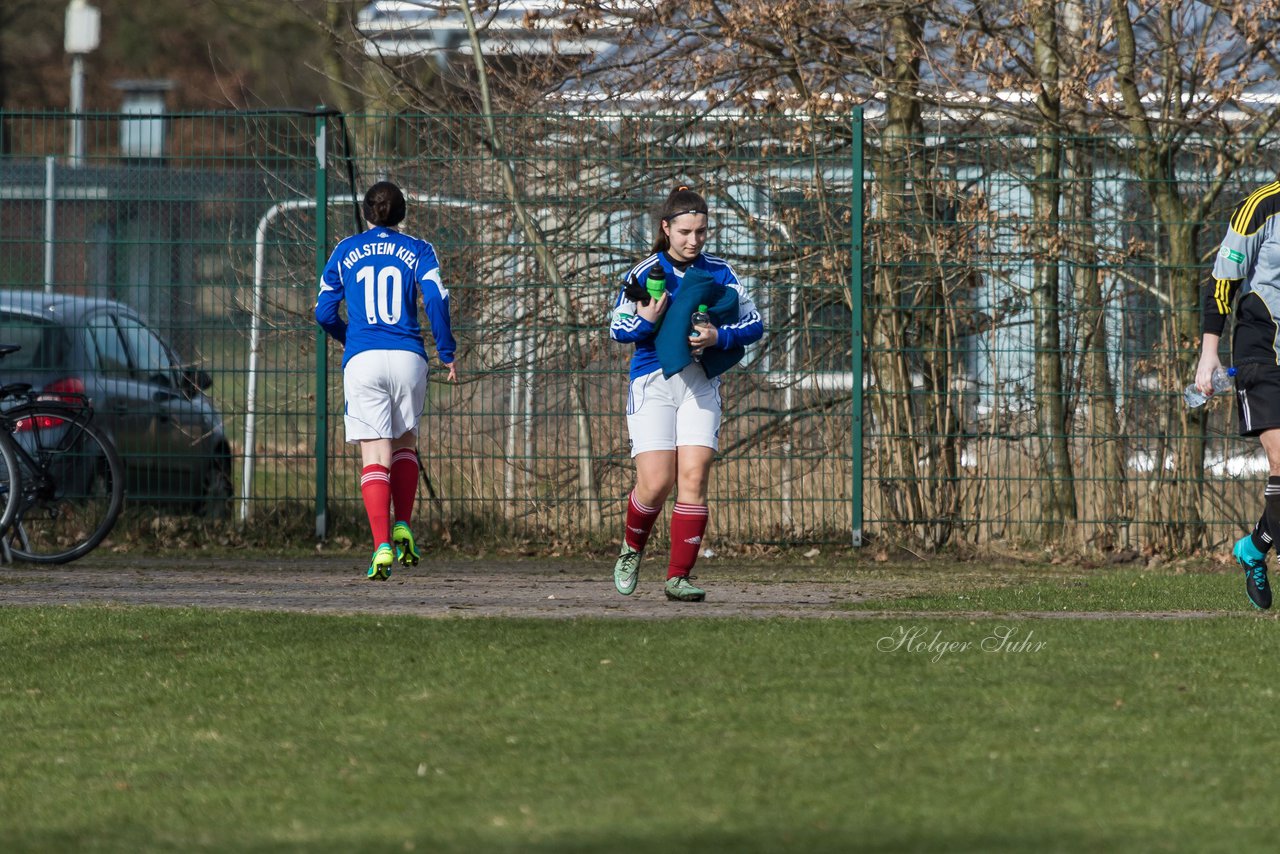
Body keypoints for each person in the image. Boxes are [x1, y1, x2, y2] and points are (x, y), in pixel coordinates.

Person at [607, 185, 764, 601]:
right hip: (653, 383)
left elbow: (755, 323)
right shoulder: (644, 273)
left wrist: (718, 337)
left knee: (693, 477)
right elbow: (617, 328)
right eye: (685, 232)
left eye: (701, 232)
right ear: (666, 228)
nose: (693, 240)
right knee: (656, 483)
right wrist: (646, 321)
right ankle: (631, 548)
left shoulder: (720, 273)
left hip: (700, 384)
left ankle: (679, 577)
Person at [315, 181, 457, 581]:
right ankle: (404, 524)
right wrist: (447, 351)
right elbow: (436, 299)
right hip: (409, 356)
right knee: (405, 443)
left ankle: (380, 546)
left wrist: (351, 340)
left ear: (366, 213)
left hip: (365, 359)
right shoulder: (419, 249)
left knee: (374, 455)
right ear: (402, 214)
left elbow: (324, 312)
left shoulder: (345, 249)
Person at [1196, 179, 1280, 609]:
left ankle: (1254, 548)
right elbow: (1222, 281)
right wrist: (1208, 354)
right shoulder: (1261, 207)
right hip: (1261, 352)